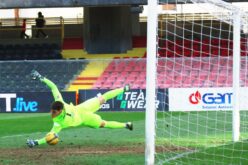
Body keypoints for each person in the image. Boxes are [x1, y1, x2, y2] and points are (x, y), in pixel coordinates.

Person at [26, 70, 133, 148]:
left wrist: (36, 142)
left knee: (103, 101)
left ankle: (124, 89)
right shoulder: (60, 108)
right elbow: (53, 87)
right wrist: (41, 77)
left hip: (84, 111)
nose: (52, 113)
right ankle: (126, 124)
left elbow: (50, 137)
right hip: (86, 115)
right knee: (104, 120)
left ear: (59, 111)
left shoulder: (58, 122)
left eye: (53, 111)